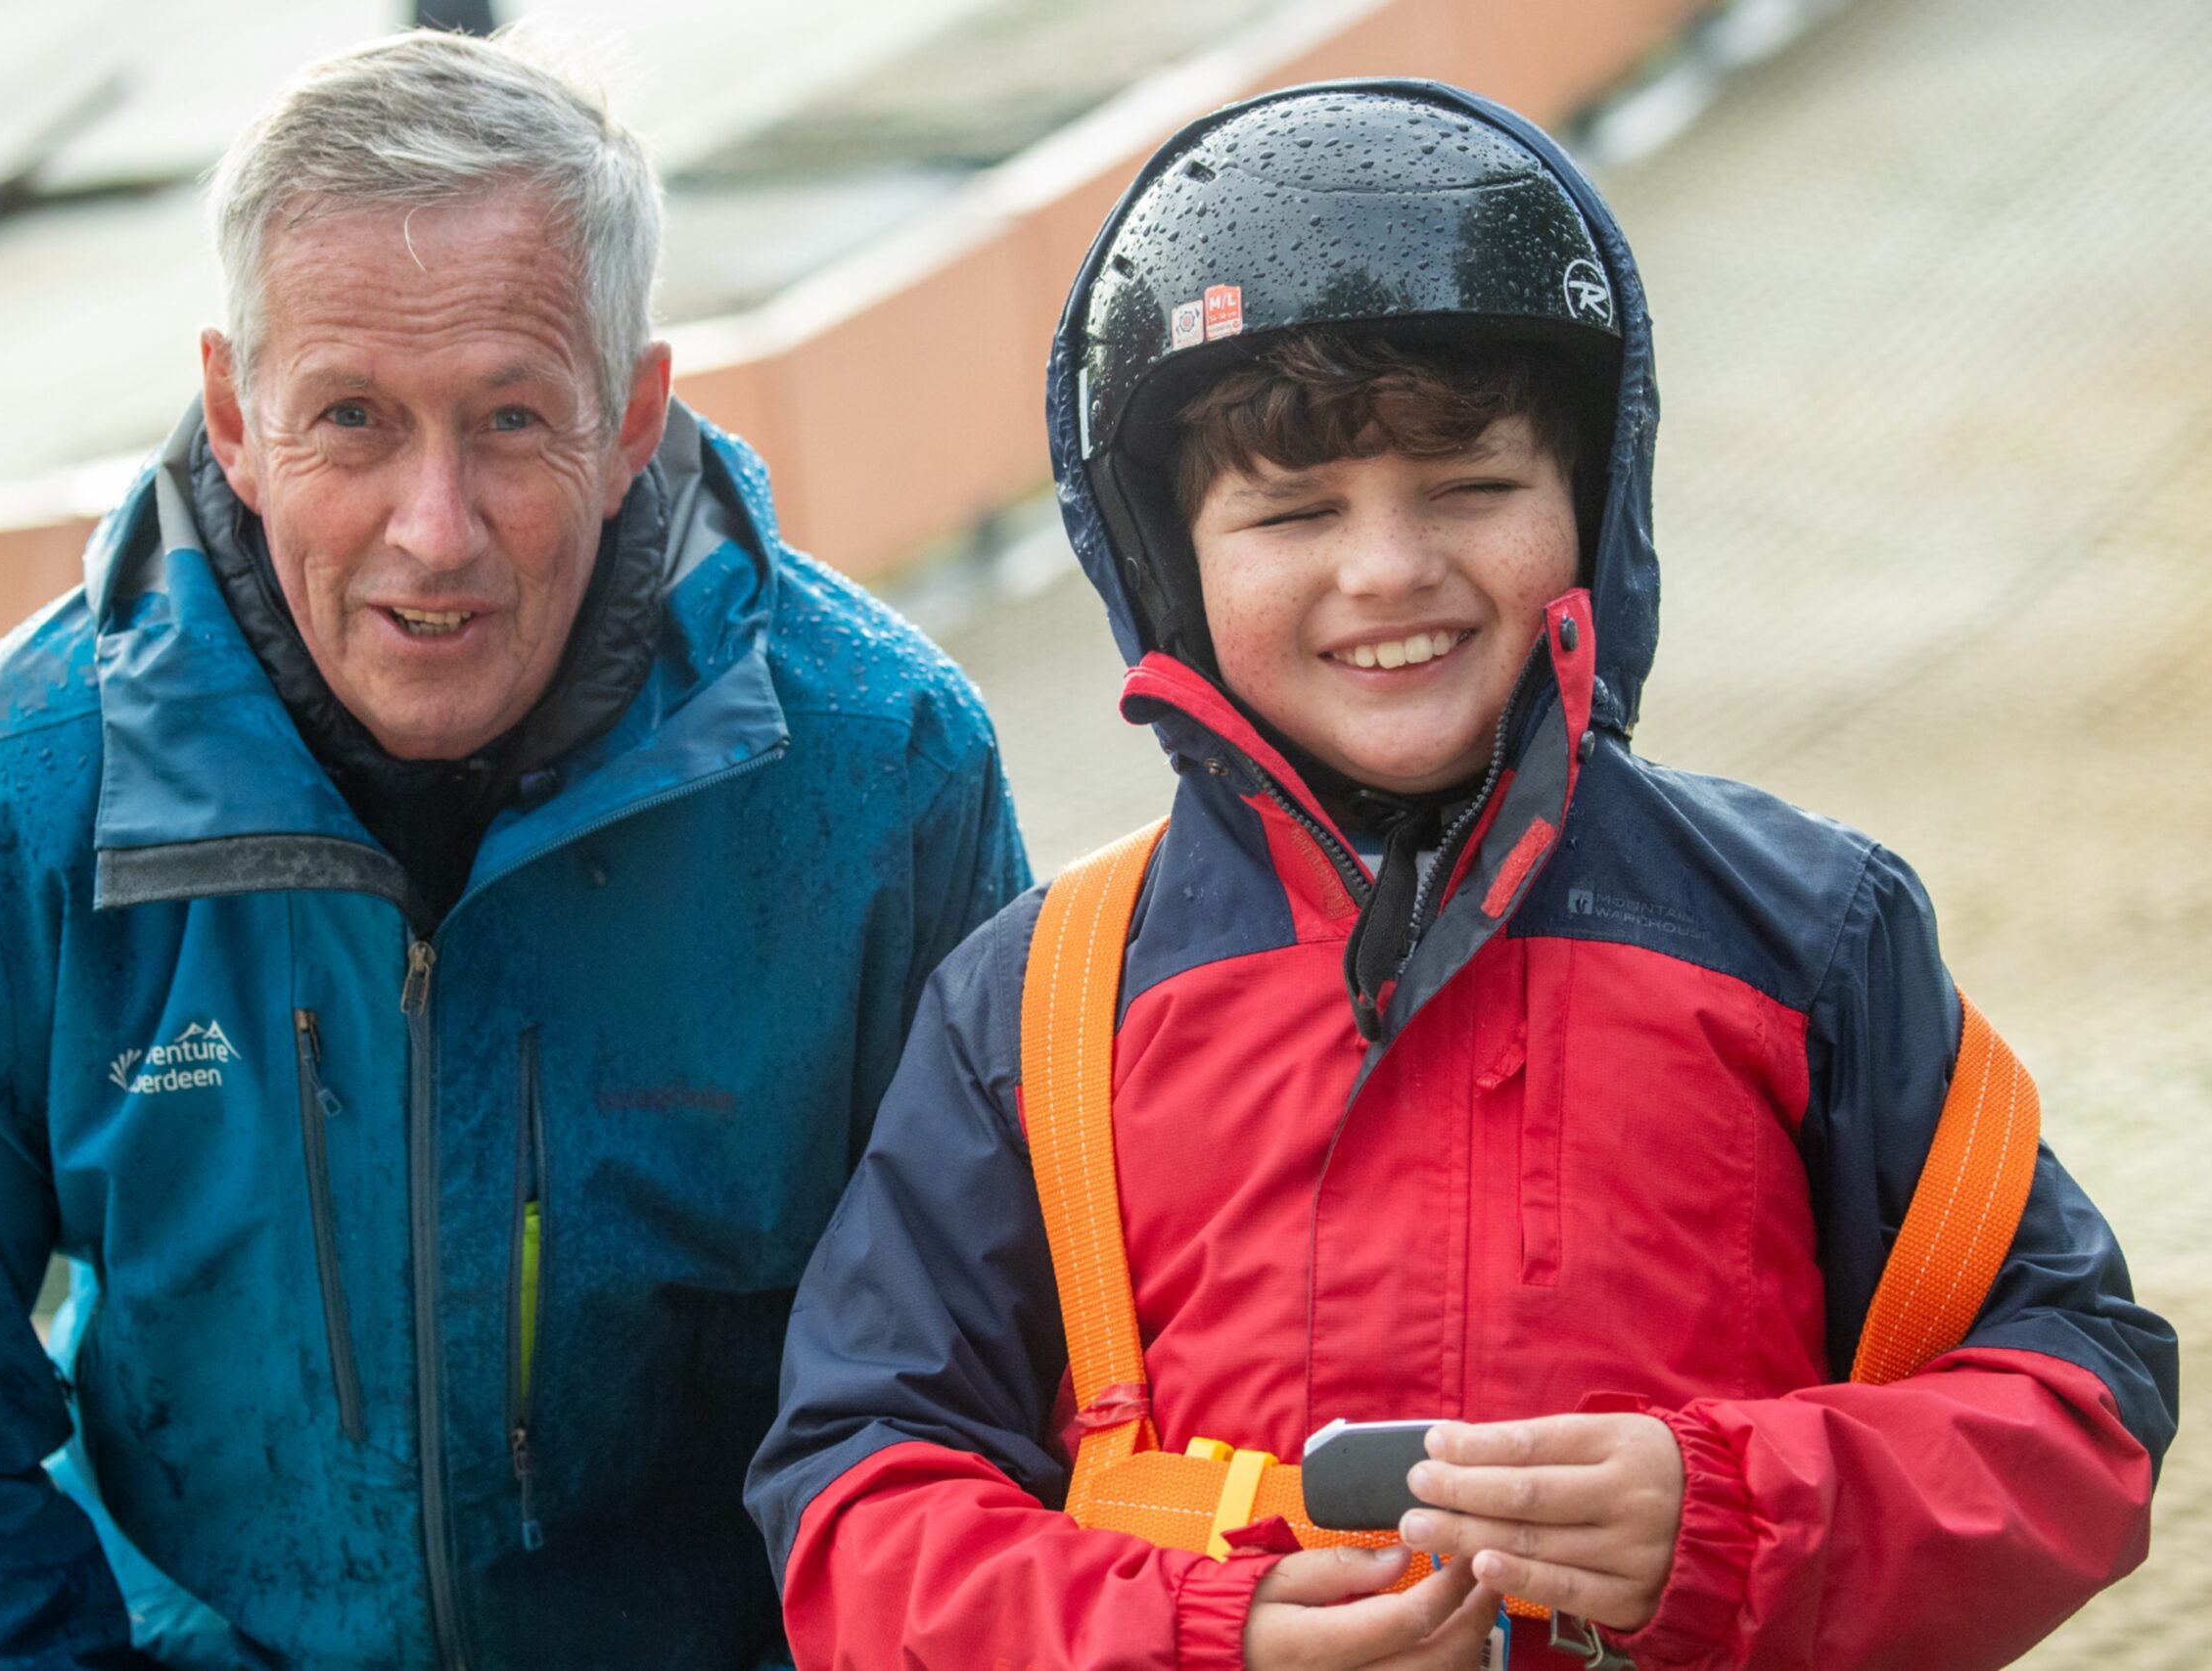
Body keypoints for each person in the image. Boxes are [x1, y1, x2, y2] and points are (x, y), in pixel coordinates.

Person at [746, 81, 2176, 1669]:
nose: (1388, 571)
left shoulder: (1814, 931)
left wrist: (1731, 1518)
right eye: (1292, 512)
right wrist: (1209, 1635)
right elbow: (856, 1503)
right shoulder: (1037, 1005)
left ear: (1593, 505)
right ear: (1163, 562)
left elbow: (2081, 1391)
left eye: (1473, 488)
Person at [0, 27, 1027, 1670]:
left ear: (634, 413)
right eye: (350, 419)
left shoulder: (886, 773)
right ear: (231, 413)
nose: (436, 528)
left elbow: (991, 1382)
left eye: (510, 417)